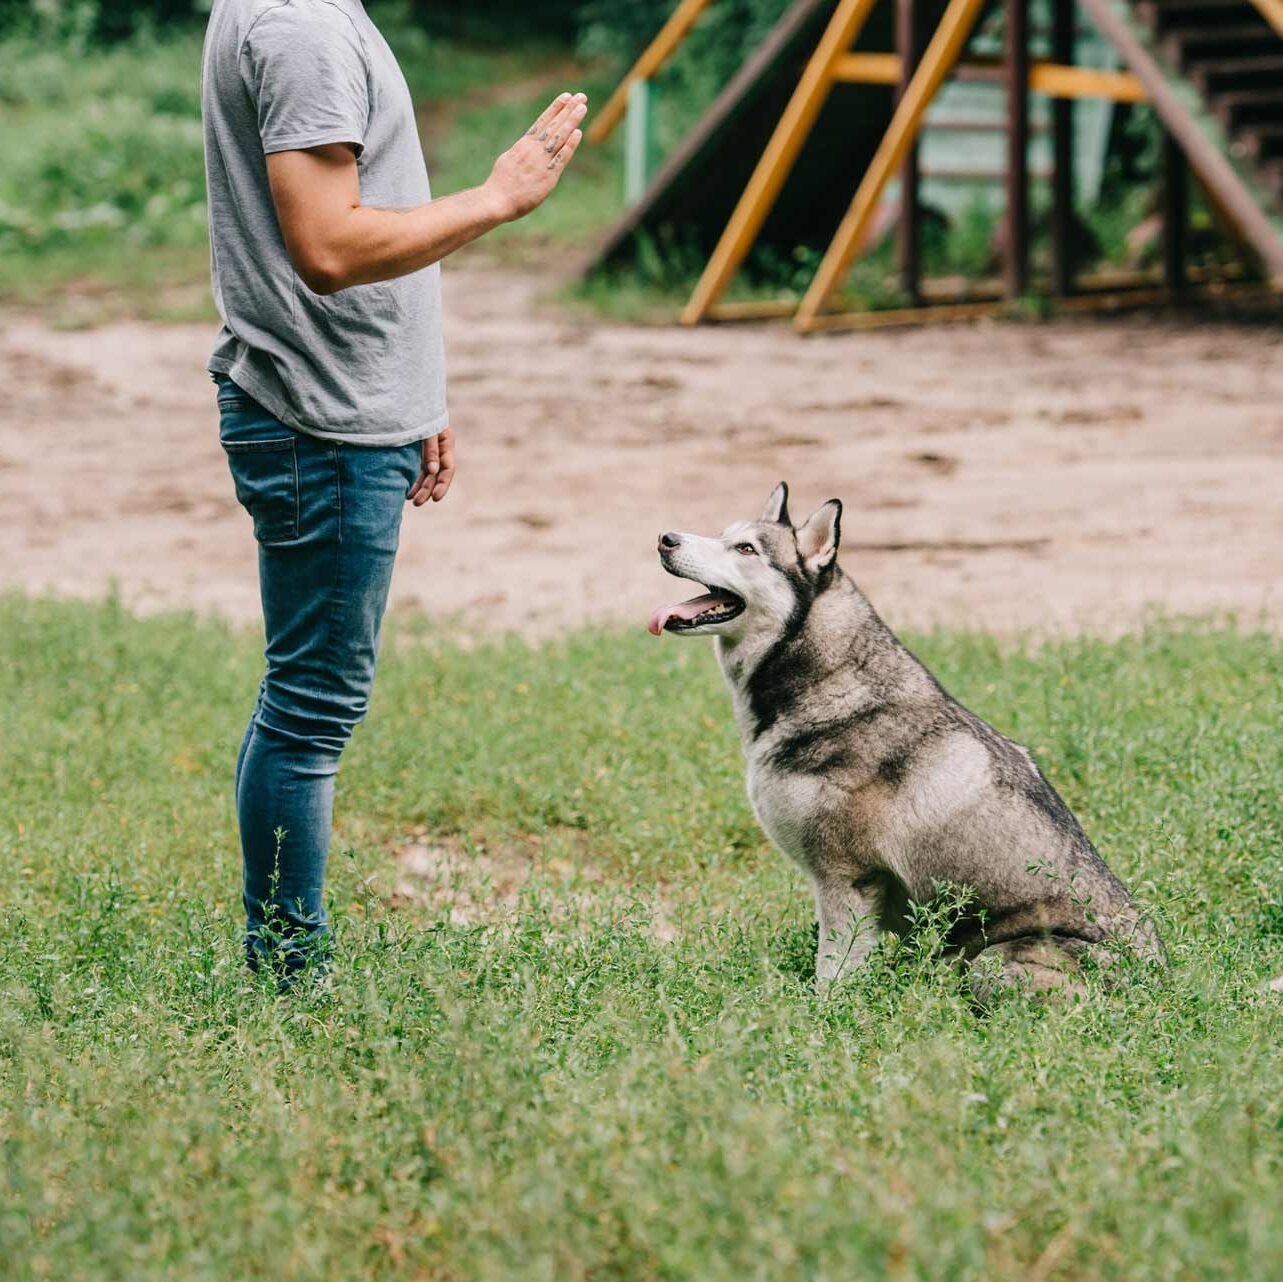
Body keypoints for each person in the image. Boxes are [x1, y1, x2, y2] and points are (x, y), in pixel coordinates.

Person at [201, 0, 586, 980]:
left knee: (307, 698)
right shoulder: (303, 30)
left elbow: (365, 222)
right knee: (310, 705)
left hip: (343, 403)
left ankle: (282, 956)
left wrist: (417, 394)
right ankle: (290, 975)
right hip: (316, 419)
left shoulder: (314, 13)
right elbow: (331, 248)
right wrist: (497, 198)